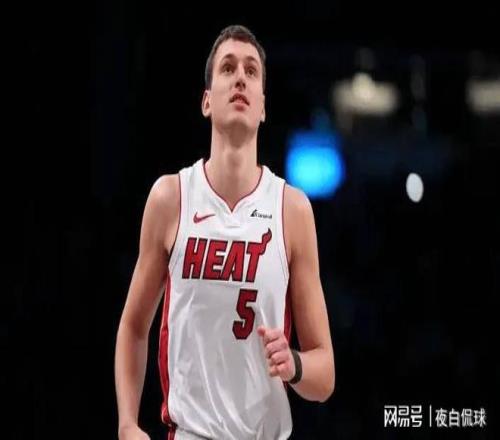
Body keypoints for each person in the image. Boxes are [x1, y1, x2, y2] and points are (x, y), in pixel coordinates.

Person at [115, 24, 335, 440]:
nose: (240, 79)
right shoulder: (171, 197)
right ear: (206, 101)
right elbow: (133, 327)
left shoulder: (292, 210)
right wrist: (127, 423)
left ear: (263, 106)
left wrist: (294, 364)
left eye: (251, 71)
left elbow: (324, 375)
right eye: (228, 68)